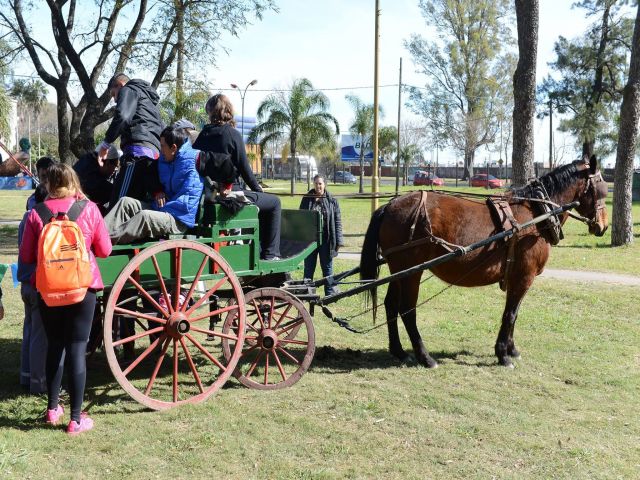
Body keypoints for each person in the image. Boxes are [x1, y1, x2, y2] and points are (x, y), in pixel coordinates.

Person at [19, 163, 112, 435]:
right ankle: (75, 419)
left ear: (48, 184)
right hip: (82, 288)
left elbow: (26, 257)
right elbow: (105, 250)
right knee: (76, 348)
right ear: (74, 182)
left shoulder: (36, 213)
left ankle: (52, 409)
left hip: (48, 289)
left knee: (55, 345)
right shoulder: (89, 209)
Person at [193, 94, 281, 260]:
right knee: (274, 203)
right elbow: (245, 169)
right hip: (230, 195)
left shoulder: (203, 135)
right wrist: (258, 189)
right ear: (228, 111)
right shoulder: (232, 134)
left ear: (210, 112)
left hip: (208, 197)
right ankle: (271, 254)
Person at [104, 125, 203, 244]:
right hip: (163, 209)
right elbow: (149, 173)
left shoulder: (195, 159)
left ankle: (104, 243)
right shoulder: (164, 159)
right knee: (125, 203)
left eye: (162, 146)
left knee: (144, 216)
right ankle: (95, 234)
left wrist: (227, 186)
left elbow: (224, 165)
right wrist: (157, 190)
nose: (160, 150)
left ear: (173, 148)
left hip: (179, 218)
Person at [97, 73, 164, 208]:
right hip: (153, 157)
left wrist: (105, 144)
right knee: (134, 207)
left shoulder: (128, 89)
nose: (115, 100)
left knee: (117, 206)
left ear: (120, 85)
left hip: (136, 155)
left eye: (114, 94)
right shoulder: (150, 103)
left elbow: (123, 116)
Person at [18, 183, 49, 394]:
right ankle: (38, 384)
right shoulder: (39, 219)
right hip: (36, 282)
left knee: (29, 331)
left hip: (25, 283)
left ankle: (25, 375)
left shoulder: (26, 217)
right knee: (40, 335)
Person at [299, 174, 344, 295]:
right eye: (316, 183)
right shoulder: (306, 199)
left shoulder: (332, 201)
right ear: (313, 184)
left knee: (327, 268)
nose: (318, 186)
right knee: (308, 268)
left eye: (320, 183)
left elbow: (337, 221)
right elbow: (301, 218)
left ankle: (329, 293)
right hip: (310, 240)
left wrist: (339, 242)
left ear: (324, 185)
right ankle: (307, 293)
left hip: (326, 239)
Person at [73, 146, 121, 215]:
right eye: (115, 165)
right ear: (107, 163)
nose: (114, 170)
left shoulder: (84, 163)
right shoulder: (95, 183)